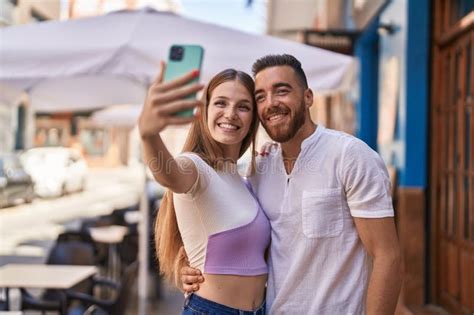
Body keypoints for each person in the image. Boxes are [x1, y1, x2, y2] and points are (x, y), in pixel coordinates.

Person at [181, 54, 402, 314]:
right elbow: (239, 233)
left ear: (308, 97)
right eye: (260, 97)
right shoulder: (260, 166)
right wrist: (188, 266)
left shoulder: (349, 155)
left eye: (281, 91)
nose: (271, 103)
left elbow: (388, 256)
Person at [138, 65, 270, 315]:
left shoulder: (242, 181)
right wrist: (148, 134)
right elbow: (166, 173)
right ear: (204, 111)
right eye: (221, 103)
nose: (230, 114)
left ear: (252, 118)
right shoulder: (194, 167)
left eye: (243, 106)